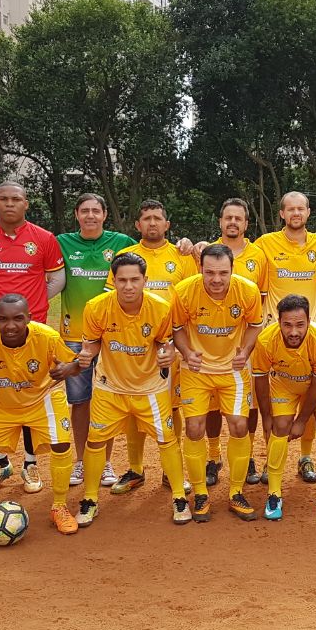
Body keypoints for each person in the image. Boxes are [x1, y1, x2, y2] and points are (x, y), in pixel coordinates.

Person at [0, 293, 82, 539]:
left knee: (61, 444)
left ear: (29, 318)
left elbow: (76, 363)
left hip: (42, 398)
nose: (11, 325)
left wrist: (68, 368)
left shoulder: (48, 338)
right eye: (3, 319)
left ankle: (59, 507)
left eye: (18, 318)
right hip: (0, 400)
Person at [74, 252, 190, 527]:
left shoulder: (161, 307)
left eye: (134, 280)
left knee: (166, 439)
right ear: (113, 281)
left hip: (149, 387)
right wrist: (86, 354)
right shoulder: (96, 307)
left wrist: (166, 354)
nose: (128, 286)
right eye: (122, 280)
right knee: (95, 440)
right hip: (109, 387)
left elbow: (166, 343)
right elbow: (92, 343)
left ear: (145, 280)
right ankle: (90, 499)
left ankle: (178, 498)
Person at [0, 182, 67, 495]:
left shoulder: (44, 238)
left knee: (30, 392)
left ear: (26, 204)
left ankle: (30, 462)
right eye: (3, 199)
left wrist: (35, 304)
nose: (9, 204)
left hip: (32, 329)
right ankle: (0, 461)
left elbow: (58, 278)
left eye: (16, 199)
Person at [105, 200, 197, 494]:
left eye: (158, 218)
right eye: (147, 218)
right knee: (134, 408)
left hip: (170, 345)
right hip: (132, 347)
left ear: (167, 225)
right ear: (138, 225)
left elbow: (190, 302)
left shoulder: (182, 256)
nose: (153, 223)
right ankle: (135, 468)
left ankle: (172, 472)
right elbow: (111, 302)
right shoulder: (125, 256)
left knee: (173, 407)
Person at [171, 243, 264, 521]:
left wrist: (245, 351)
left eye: (223, 273)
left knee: (238, 425)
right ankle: (200, 493)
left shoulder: (247, 290)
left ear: (232, 270)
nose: (216, 279)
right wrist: (187, 353)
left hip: (232, 370)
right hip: (196, 370)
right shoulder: (185, 291)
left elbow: (255, 324)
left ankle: (236, 492)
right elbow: (177, 329)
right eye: (209, 272)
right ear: (201, 269)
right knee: (194, 427)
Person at [52, 192, 136, 489]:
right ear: (77, 214)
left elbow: (154, 251)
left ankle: (104, 463)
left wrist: (192, 245)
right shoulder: (61, 242)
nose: (90, 216)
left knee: (106, 400)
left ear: (104, 215)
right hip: (75, 337)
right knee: (80, 401)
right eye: (84, 211)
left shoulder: (121, 243)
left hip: (111, 337)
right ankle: (79, 462)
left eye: (95, 211)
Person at [254, 191, 316, 485]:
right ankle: (269, 460)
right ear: (282, 214)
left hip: (312, 332)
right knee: (274, 402)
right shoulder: (265, 244)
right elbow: (236, 253)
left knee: (310, 392)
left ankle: (305, 456)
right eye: (290, 209)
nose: (296, 213)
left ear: (308, 213)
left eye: (301, 208)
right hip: (276, 330)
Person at [251, 294, 316, 521]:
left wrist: (301, 420)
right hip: (284, 383)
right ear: (278, 322)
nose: (293, 332)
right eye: (287, 325)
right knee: (279, 427)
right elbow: (260, 379)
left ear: (309, 322)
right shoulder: (265, 340)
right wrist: (266, 416)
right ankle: (274, 493)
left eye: (300, 325)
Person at [203, 197, 270, 488]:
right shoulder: (206, 252)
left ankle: (249, 454)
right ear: (220, 222)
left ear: (246, 223)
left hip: (245, 343)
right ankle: (213, 454)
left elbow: (262, 300)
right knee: (211, 403)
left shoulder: (259, 255)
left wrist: (249, 342)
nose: (233, 222)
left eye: (238, 218)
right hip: (210, 341)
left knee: (250, 401)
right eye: (227, 217)